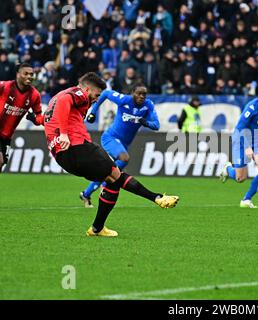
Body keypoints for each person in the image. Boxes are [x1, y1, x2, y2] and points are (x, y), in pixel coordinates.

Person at [43, 72, 179, 237]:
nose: (95, 99)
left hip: (62, 156)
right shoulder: (76, 93)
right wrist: (64, 133)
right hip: (77, 147)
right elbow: (67, 102)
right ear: (87, 89)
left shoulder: (56, 97)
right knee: (116, 173)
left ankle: (97, 227)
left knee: (113, 180)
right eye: (95, 95)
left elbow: (46, 117)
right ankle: (156, 198)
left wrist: (37, 119)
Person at [79, 85, 160, 207]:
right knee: (124, 159)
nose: (142, 96)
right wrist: (93, 112)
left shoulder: (148, 105)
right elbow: (106, 93)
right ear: (133, 92)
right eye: (139, 93)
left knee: (109, 170)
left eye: (144, 94)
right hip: (110, 138)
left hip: (124, 144)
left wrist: (146, 123)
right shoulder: (124, 100)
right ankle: (105, 185)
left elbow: (156, 125)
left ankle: (86, 194)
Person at [0, 63, 44, 171]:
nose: (29, 76)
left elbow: (39, 118)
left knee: (1, 165)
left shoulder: (34, 95)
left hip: (7, 137)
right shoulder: (4, 86)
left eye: (31, 74)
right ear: (18, 74)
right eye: (26, 73)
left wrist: (34, 119)